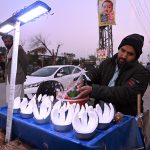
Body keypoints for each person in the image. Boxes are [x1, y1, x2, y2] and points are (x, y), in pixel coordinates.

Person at [76, 34, 150, 116]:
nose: (124, 56)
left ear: (136, 57)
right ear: (119, 49)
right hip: (99, 114)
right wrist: (83, 79)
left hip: (124, 119)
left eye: (130, 54)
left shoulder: (141, 72)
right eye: (123, 50)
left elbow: (124, 94)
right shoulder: (107, 63)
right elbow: (95, 74)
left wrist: (94, 90)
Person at [2, 34, 28, 100]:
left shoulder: (18, 49)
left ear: (13, 41)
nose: (7, 43)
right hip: (8, 78)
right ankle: (10, 110)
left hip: (17, 78)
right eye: (5, 42)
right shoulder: (7, 51)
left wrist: (23, 74)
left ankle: (16, 110)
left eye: (8, 41)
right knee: (9, 98)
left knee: (16, 99)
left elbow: (25, 63)